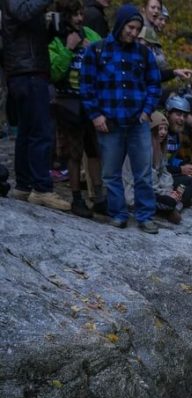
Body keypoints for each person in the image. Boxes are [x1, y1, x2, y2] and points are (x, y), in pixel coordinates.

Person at [80, 4, 162, 233]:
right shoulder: (97, 51)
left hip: (138, 122)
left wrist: (147, 111)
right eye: (130, 27)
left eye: (137, 29)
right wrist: (95, 115)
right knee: (111, 174)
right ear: (120, 24)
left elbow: (154, 85)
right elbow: (86, 86)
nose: (134, 33)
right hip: (109, 123)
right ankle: (118, 214)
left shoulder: (144, 54)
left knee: (143, 173)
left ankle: (146, 216)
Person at [2, 0, 72, 211]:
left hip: (27, 69)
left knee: (27, 130)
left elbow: (29, 27)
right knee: (41, 131)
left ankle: (24, 186)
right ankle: (42, 189)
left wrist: (52, 26)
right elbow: (22, 12)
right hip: (28, 70)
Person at [48, 0, 105, 218]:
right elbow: (54, 73)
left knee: (94, 149)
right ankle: (76, 198)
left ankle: (98, 197)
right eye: (74, 15)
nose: (79, 19)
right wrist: (69, 48)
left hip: (90, 102)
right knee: (73, 153)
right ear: (64, 16)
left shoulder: (90, 34)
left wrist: (95, 51)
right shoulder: (56, 38)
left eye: (81, 14)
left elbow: (107, 58)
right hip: (67, 103)